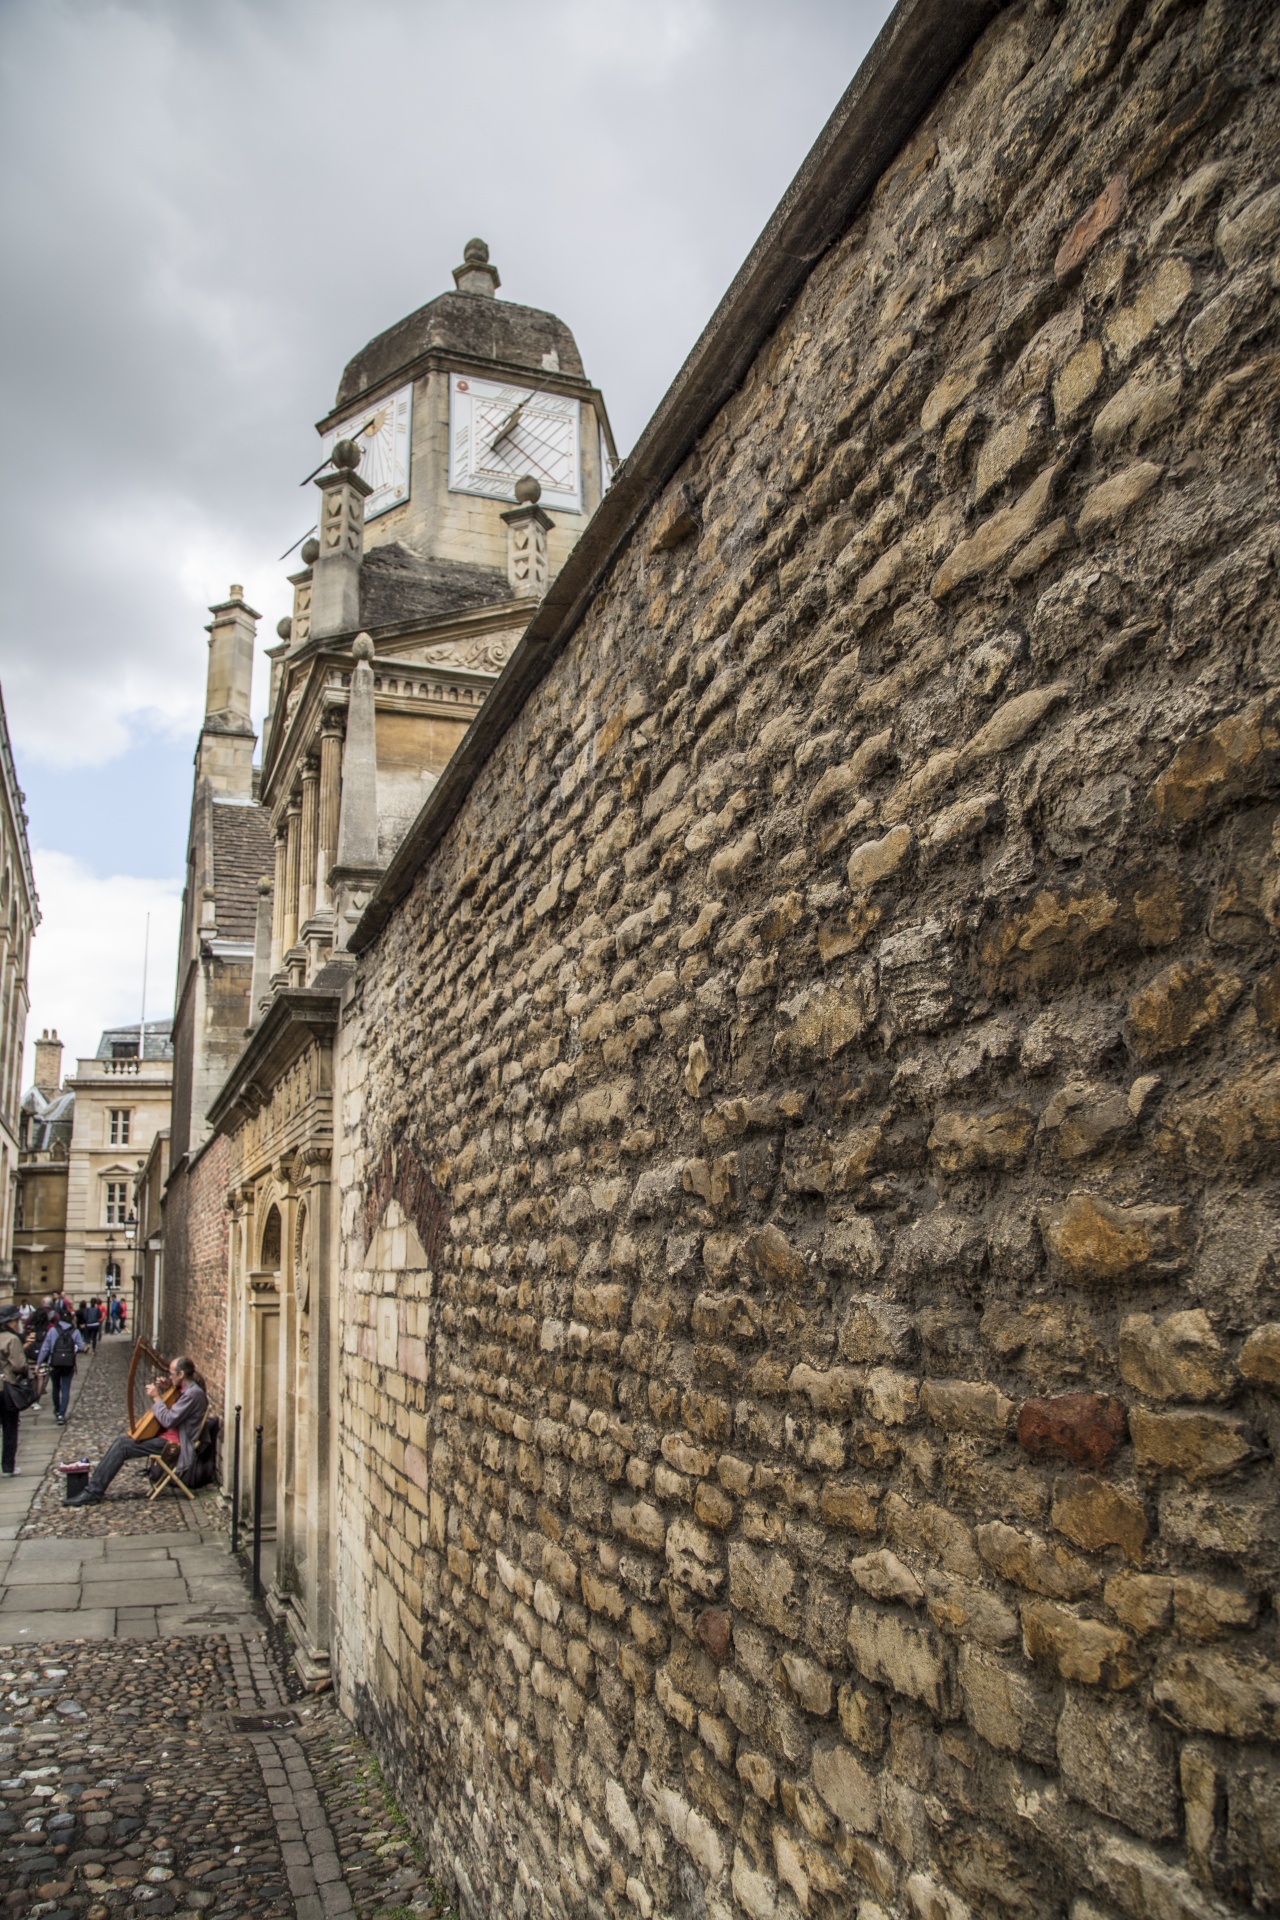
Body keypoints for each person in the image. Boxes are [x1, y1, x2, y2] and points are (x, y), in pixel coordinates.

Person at [67, 1356, 207, 1506]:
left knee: (122, 1446)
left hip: (174, 1444)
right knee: (121, 1441)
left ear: (181, 1375)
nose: (169, 1376)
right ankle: (93, 1489)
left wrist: (157, 1398)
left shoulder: (193, 1394)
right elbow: (178, 1400)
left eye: (172, 1374)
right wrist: (168, 1387)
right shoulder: (187, 1389)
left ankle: (93, 1492)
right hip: (168, 1437)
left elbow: (168, 1420)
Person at [0, 1304, 32, 1476]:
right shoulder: (11, 1339)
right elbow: (19, 1365)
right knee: (10, 1427)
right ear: (10, 1322)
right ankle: (7, 1467)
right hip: (6, 1388)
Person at [38, 1307, 85, 1424]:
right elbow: (81, 1347)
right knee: (65, 1388)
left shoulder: (52, 1331)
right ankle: (62, 1414)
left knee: (55, 1388)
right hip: (68, 1364)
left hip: (54, 1363)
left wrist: (39, 1363)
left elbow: (45, 1348)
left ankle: (57, 1409)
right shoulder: (75, 1332)